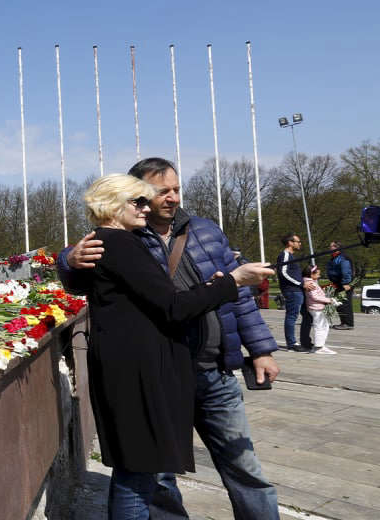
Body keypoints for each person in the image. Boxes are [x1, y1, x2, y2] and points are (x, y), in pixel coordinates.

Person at [62, 158, 282, 520]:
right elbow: (82, 272)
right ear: (127, 197)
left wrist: (260, 349)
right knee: (154, 474)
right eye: (156, 193)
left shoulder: (206, 230)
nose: (169, 198)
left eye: (175, 190)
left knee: (242, 464)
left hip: (210, 367)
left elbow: (239, 298)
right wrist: (69, 259)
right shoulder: (123, 239)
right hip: (158, 372)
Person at [277, 234, 313, 351]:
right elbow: (284, 273)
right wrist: (301, 283)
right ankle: (292, 344)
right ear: (290, 243)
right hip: (292, 291)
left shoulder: (292, 256)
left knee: (307, 316)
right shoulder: (285, 255)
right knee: (292, 316)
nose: (300, 243)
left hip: (298, 290)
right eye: (298, 241)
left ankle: (305, 341)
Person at [302, 266, 337, 354]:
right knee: (321, 326)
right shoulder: (311, 283)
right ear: (311, 274)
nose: (319, 276)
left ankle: (320, 345)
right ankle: (318, 347)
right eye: (318, 274)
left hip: (316, 307)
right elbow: (314, 296)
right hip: (316, 308)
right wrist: (330, 300)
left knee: (324, 325)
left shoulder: (310, 282)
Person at [327, 240, 355, 329]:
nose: (329, 248)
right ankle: (344, 322)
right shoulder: (335, 257)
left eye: (331, 246)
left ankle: (347, 323)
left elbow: (346, 271)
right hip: (338, 283)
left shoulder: (342, 257)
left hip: (344, 284)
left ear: (337, 248)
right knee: (339, 303)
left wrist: (346, 283)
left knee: (344, 304)